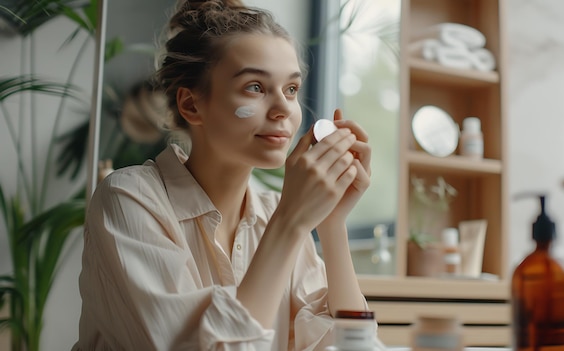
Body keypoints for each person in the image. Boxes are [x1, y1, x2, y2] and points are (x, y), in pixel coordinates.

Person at [73, 0, 377, 350]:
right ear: (191, 105)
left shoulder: (274, 212)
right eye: (255, 87)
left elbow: (352, 345)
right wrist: (291, 222)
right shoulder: (128, 199)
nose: (284, 110)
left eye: (291, 89)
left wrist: (332, 223)